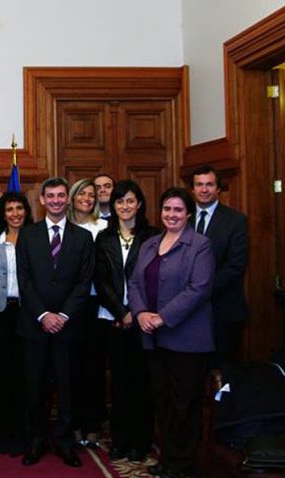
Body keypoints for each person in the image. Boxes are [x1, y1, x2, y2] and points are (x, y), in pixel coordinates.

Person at [129, 187, 215, 478]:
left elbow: (199, 289)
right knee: (163, 401)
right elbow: (135, 283)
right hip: (153, 337)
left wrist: (162, 317)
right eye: (167, 209)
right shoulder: (150, 244)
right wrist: (141, 313)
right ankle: (167, 458)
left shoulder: (200, 245)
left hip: (186, 339)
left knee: (184, 404)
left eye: (178, 210)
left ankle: (182, 464)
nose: (172, 215)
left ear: (188, 213)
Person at [16, 177, 94, 468]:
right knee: (34, 386)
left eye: (62, 195)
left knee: (67, 386)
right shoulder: (28, 235)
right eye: (51, 196)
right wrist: (43, 315)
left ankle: (64, 442)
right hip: (34, 325)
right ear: (43, 200)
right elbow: (23, 280)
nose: (57, 200)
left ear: (68, 199)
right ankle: (35, 441)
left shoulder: (83, 237)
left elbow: (84, 282)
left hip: (68, 326)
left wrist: (61, 316)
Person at [94, 180, 158, 462]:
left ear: (139, 204)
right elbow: (101, 279)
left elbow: (154, 280)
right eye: (120, 201)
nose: (124, 206)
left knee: (142, 383)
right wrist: (121, 313)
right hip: (114, 319)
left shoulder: (153, 236)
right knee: (119, 383)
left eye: (130, 201)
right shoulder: (104, 238)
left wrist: (136, 311)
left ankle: (140, 441)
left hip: (144, 318)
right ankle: (120, 440)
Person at [0, 191, 32, 456]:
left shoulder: (37, 239)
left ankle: (27, 432)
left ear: (26, 211)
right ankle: (8, 432)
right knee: (4, 376)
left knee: (28, 375)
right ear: (2, 215)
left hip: (29, 314)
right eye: (9, 209)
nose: (15, 213)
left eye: (19, 208)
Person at [191, 165, 248, 366]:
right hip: (188, 313)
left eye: (209, 185)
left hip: (224, 310)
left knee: (224, 373)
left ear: (218, 189)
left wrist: (200, 291)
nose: (204, 190)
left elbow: (236, 265)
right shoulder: (181, 218)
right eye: (199, 185)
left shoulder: (236, 220)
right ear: (193, 189)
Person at [66, 178, 108, 449]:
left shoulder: (104, 228)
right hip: (68, 307)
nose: (87, 198)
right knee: (70, 369)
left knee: (93, 368)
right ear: (73, 196)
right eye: (82, 193)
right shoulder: (64, 228)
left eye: (92, 194)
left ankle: (92, 426)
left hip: (96, 305)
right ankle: (73, 424)